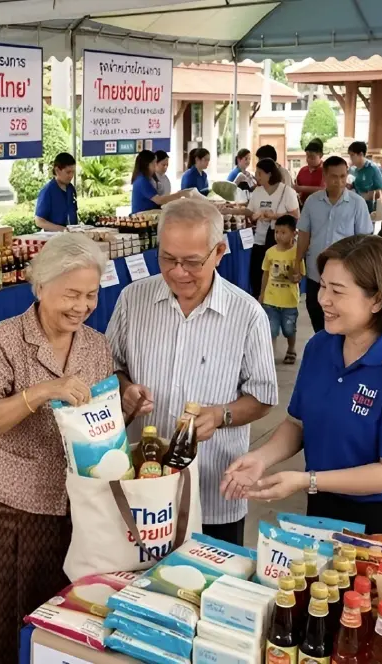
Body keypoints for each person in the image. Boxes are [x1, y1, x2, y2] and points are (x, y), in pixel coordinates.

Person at [221, 234, 382, 541]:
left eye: (337, 291)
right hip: (324, 506)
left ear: (377, 299)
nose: (323, 299)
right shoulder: (320, 347)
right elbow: (297, 423)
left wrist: (306, 480)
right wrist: (261, 458)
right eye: (323, 285)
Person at [0, 233, 114, 664]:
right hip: (15, 505)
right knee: (6, 618)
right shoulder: (5, 339)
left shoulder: (95, 345)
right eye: (71, 294)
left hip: (78, 507)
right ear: (41, 285)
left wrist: (125, 407)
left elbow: (98, 424)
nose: (81, 306)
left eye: (90, 295)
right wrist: (43, 391)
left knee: (64, 616)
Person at [107, 198, 277, 546]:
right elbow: (112, 365)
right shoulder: (132, 300)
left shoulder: (246, 315)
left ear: (219, 252)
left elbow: (263, 397)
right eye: (168, 258)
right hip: (144, 485)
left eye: (192, 262)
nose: (178, 272)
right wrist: (124, 388)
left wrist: (222, 415)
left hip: (213, 488)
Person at [296, 156, 374, 334]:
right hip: (316, 272)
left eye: (343, 176)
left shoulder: (357, 203)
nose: (339, 181)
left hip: (345, 275)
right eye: (333, 176)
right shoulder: (312, 202)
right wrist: (296, 262)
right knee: (316, 314)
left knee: (341, 318)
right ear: (324, 175)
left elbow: (364, 240)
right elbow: (304, 235)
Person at [235, 158, 300, 297]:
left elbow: (296, 215)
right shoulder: (258, 192)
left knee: (277, 275)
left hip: (280, 240)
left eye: (259, 173)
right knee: (257, 274)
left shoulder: (287, 192)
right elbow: (250, 210)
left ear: (269, 174)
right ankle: (259, 300)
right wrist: (249, 215)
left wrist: (274, 216)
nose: (256, 176)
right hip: (259, 239)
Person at [260, 216, 303, 365]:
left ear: (294, 234)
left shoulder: (297, 254)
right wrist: (262, 294)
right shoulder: (270, 252)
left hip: (289, 301)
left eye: (283, 232)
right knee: (271, 329)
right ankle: (270, 353)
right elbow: (265, 273)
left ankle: (291, 349)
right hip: (271, 299)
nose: (278, 235)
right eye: (276, 232)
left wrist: (291, 271)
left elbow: (297, 278)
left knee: (289, 329)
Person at [132, 150, 187, 214]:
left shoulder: (147, 178)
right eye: (154, 163)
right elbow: (159, 200)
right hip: (142, 216)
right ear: (147, 164)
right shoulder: (142, 181)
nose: (155, 165)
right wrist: (179, 194)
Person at [34, 152, 78, 231]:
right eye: (68, 172)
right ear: (57, 170)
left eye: (73, 172)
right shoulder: (48, 191)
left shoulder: (71, 189)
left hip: (72, 235)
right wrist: (62, 229)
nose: (71, 176)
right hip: (53, 237)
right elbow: (39, 221)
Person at [348, 141, 382, 213]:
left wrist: (366, 196)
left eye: (352, 155)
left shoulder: (372, 168)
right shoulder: (353, 169)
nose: (350, 158)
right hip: (355, 207)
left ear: (361, 154)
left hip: (369, 209)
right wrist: (351, 186)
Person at [294, 140, 325, 205]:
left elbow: (324, 189)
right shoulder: (303, 170)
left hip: (320, 206)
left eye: (312, 157)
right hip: (303, 205)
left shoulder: (326, 170)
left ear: (320, 155)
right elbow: (296, 187)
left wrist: (302, 188)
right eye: (307, 156)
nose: (309, 159)